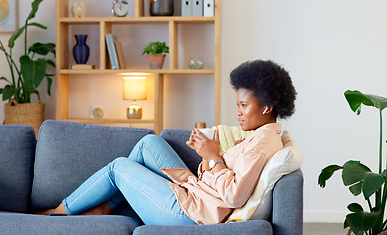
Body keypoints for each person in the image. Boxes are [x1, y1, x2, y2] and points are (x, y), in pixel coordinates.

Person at [38, 60, 297, 225]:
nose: (238, 112)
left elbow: (235, 195)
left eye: (243, 105)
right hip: (196, 194)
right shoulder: (257, 135)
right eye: (237, 105)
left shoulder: (262, 143)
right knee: (148, 143)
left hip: (191, 215)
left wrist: (214, 157)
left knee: (118, 167)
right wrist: (207, 156)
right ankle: (105, 207)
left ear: (267, 106)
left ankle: (59, 213)